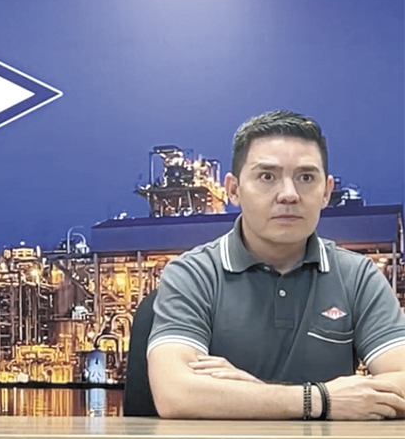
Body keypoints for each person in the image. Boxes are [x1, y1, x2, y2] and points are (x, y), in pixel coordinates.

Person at [147, 110, 405, 420]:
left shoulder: (357, 277)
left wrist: (253, 393)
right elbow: (176, 394)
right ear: (233, 190)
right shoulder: (194, 275)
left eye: (306, 177)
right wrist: (319, 400)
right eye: (267, 176)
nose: (289, 194)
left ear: (326, 191)